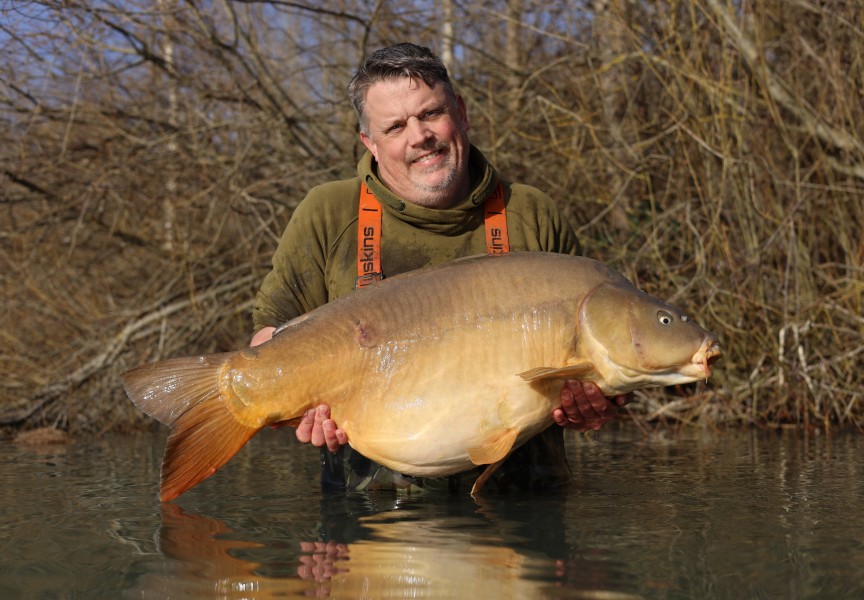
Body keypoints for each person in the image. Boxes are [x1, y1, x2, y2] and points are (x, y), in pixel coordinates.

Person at [251, 43, 629, 492]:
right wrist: (291, 405)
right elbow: (268, 339)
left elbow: (608, 363)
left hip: (524, 512)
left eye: (430, 114)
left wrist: (601, 405)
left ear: (461, 112)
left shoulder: (530, 213)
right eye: (394, 126)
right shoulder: (328, 214)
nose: (419, 136)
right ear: (369, 143)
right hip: (370, 520)